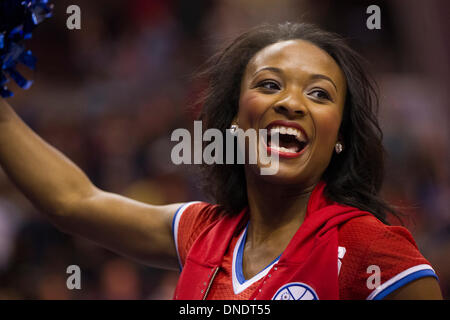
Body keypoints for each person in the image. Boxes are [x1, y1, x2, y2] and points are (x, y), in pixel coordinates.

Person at [0, 22, 442, 300]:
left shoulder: (374, 254)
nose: (291, 102)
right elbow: (73, 202)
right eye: (270, 85)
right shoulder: (202, 233)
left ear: (339, 137)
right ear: (234, 122)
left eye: (319, 93)